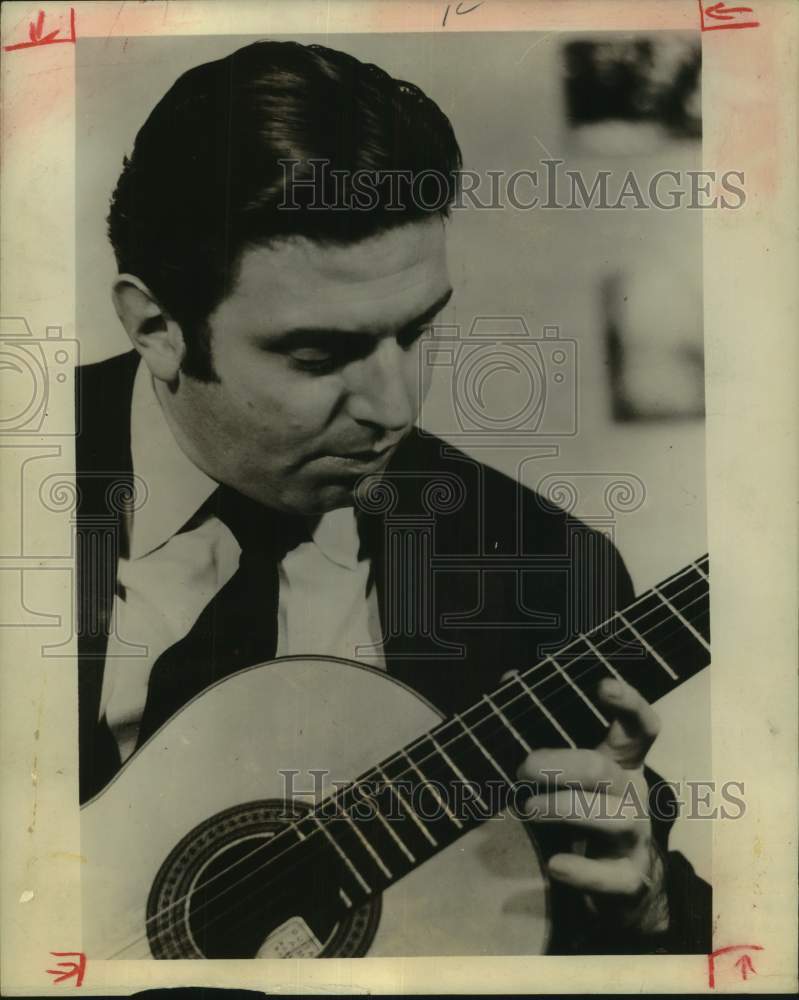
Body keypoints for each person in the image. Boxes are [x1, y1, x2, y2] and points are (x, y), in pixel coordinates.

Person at [76, 39, 711, 956]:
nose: (394, 406)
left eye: (417, 333)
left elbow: (628, 926)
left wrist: (642, 914)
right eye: (318, 356)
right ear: (156, 328)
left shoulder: (542, 567)